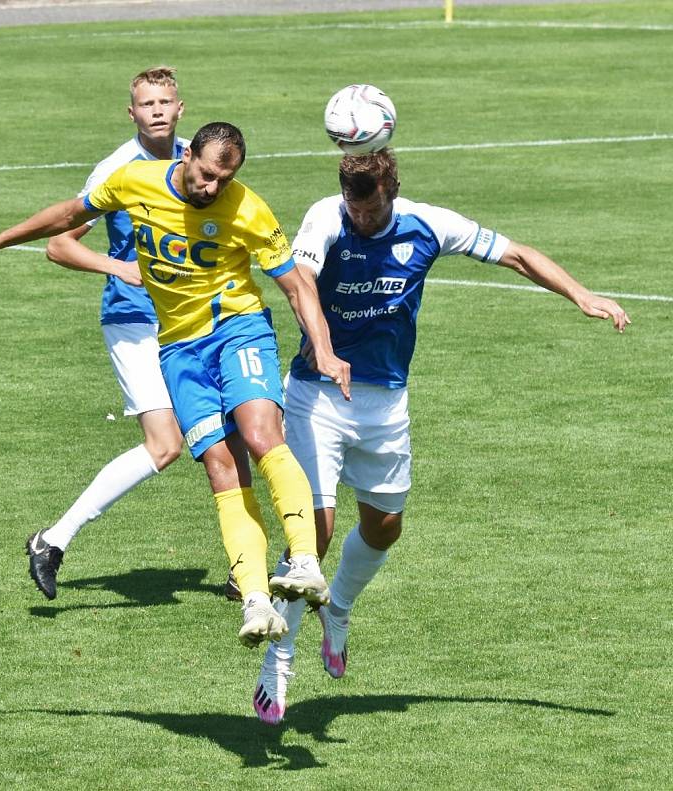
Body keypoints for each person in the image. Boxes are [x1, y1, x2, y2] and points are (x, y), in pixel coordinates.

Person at [252, 148, 630, 725]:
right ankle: (276, 669)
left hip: (385, 402)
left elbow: (517, 255)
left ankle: (342, 609)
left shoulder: (431, 224)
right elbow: (298, 275)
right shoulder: (326, 215)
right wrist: (321, 343)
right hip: (317, 396)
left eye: (371, 209)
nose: (361, 218)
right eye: (354, 207)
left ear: (393, 191)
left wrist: (581, 295)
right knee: (313, 534)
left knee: (384, 528)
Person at [0, 122, 352, 649]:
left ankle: (303, 559)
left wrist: (323, 347)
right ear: (188, 158)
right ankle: (254, 599)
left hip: (236, 327)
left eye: (224, 181)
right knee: (221, 467)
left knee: (258, 433)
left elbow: (296, 286)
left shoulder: (248, 209)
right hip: (179, 348)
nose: (212, 189)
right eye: (206, 176)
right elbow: (69, 216)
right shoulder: (135, 181)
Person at [24, 66, 190, 601]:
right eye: (148, 103)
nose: (158, 110)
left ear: (180, 107)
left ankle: (245, 570)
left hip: (193, 318)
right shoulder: (116, 169)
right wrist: (119, 268)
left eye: (166, 101)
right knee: (165, 446)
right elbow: (60, 244)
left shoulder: (198, 158)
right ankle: (53, 539)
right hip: (134, 319)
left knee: (233, 429)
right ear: (133, 112)